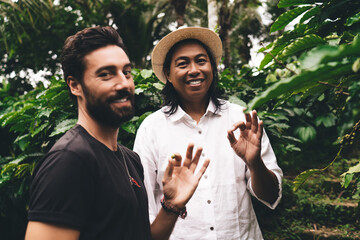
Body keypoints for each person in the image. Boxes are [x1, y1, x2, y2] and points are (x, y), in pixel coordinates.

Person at [24, 26, 210, 240]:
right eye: (106, 75)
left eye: (126, 72)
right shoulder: (70, 160)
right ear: (75, 85)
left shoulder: (130, 159)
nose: (123, 83)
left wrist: (171, 206)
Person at [133, 27, 283, 240]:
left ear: (213, 67)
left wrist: (255, 162)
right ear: (167, 74)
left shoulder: (240, 119)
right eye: (182, 64)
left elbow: (271, 195)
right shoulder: (151, 128)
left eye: (201, 61)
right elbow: (144, 208)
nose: (194, 70)